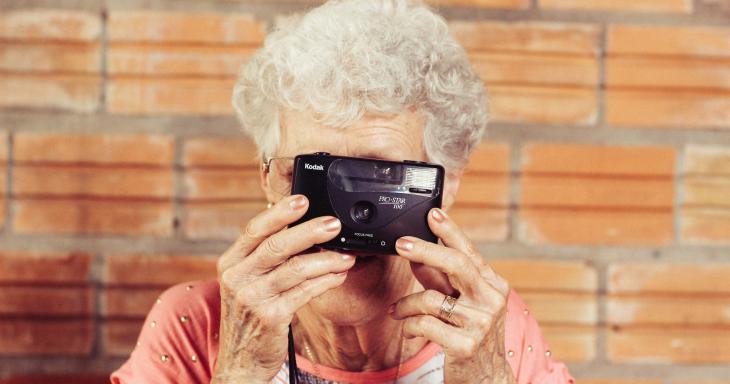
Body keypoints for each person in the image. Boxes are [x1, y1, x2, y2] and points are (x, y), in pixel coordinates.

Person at [111, 1, 574, 383]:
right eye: (313, 175)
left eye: (381, 176)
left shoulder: (489, 326)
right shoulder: (197, 323)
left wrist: (486, 376)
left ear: (445, 184)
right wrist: (242, 369)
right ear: (269, 179)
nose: (347, 218)